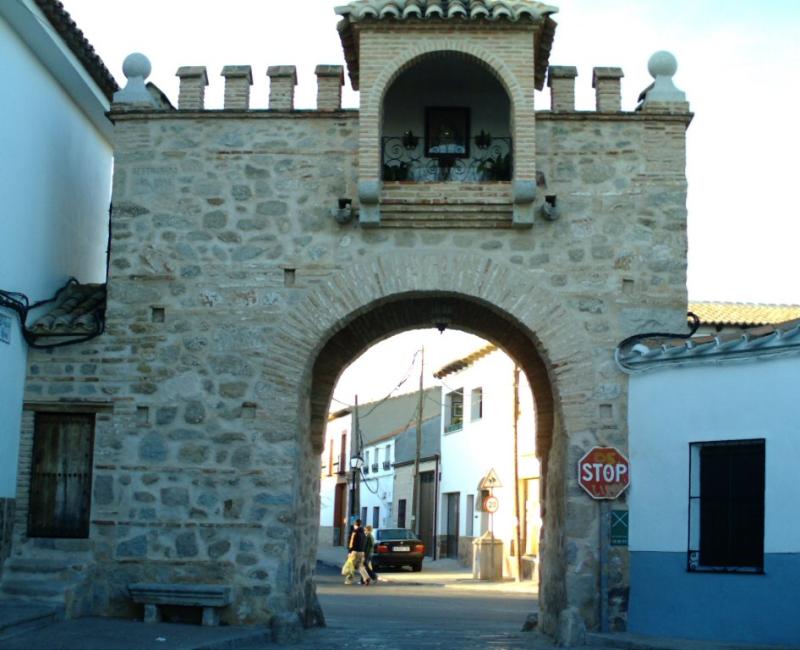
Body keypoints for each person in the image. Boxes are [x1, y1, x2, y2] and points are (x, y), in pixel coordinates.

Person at [347, 518, 371, 586]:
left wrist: (350, 551)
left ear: (355, 524)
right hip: (362, 552)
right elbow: (365, 542)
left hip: (354, 552)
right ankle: (366, 578)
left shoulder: (355, 532)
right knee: (360, 566)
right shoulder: (363, 533)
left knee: (350, 565)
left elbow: (351, 543)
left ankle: (349, 580)